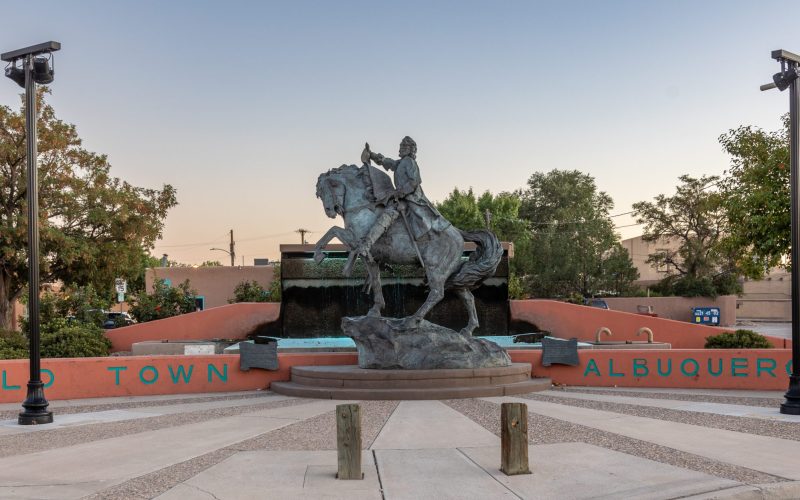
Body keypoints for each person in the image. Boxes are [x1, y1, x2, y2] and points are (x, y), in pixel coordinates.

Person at [355, 136, 450, 259]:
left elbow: (414, 182)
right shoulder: (401, 162)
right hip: (402, 196)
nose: (400, 148)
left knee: (389, 213)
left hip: (411, 198)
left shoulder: (409, 162)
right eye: (400, 146)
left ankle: (366, 245)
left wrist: (399, 193)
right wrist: (371, 154)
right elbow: (387, 162)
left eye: (403, 146)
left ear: (410, 149)